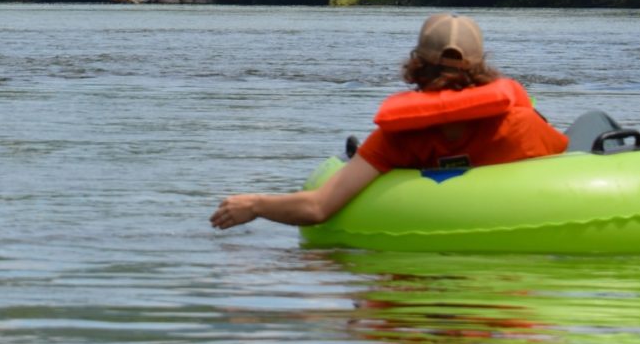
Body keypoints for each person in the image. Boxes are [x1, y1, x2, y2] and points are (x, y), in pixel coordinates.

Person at [210, 13, 568, 231]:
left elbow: (318, 208)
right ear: (481, 69)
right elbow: (570, 170)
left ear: (416, 66)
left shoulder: (398, 138)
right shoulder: (523, 124)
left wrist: (254, 204)